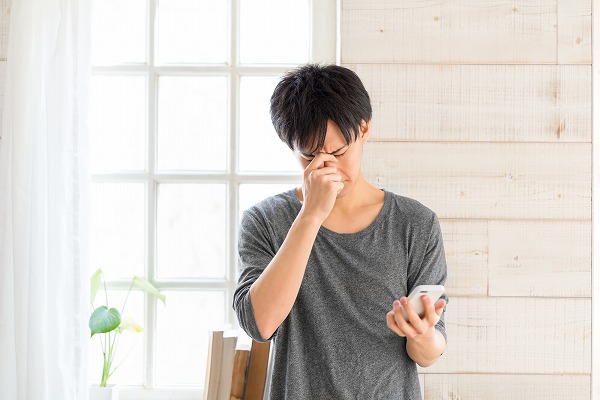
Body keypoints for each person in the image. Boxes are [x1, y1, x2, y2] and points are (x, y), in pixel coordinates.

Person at [233, 64, 448, 399]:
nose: (326, 169)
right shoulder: (264, 221)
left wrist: (422, 336)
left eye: (338, 153)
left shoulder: (415, 224)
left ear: (364, 130)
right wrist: (310, 216)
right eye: (309, 158)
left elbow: (428, 352)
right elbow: (260, 325)